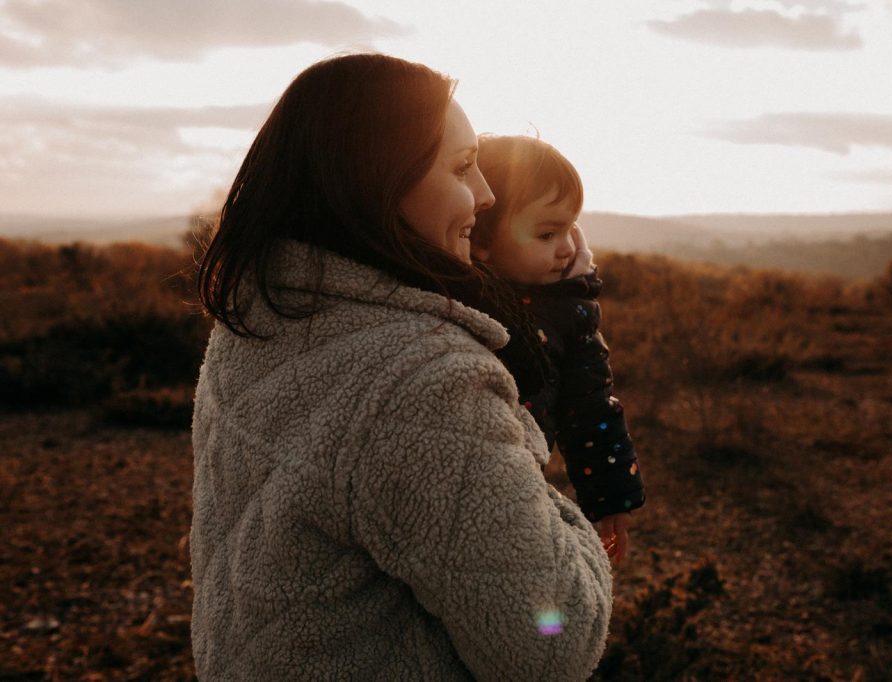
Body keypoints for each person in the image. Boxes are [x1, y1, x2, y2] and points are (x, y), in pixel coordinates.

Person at [190, 54, 612, 681]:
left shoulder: (261, 316)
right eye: (462, 168)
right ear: (378, 181)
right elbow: (553, 645)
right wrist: (556, 505)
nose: (487, 194)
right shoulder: (423, 381)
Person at [469, 135, 646, 564]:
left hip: (524, 478)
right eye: (548, 233)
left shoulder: (571, 310)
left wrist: (610, 500)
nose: (567, 247)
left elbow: (592, 410)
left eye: (570, 228)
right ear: (481, 238)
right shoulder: (456, 298)